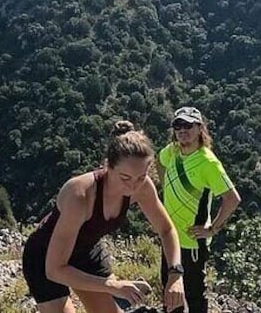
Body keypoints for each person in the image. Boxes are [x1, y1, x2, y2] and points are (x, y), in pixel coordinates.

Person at [22, 120, 186, 312]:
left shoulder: (143, 188)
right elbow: (55, 269)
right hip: (45, 257)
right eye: (125, 178)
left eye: (140, 177)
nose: (133, 186)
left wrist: (175, 274)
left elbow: (166, 230)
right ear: (108, 166)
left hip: (86, 250)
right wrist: (112, 286)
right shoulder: (80, 194)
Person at [157, 106, 241, 313]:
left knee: (193, 296)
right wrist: (166, 186)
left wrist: (212, 229)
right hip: (169, 237)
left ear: (199, 128)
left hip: (191, 243)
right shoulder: (172, 151)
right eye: (178, 125)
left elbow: (232, 199)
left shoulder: (208, 162)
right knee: (169, 287)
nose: (182, 130)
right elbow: (159, 161)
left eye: (188, 125)